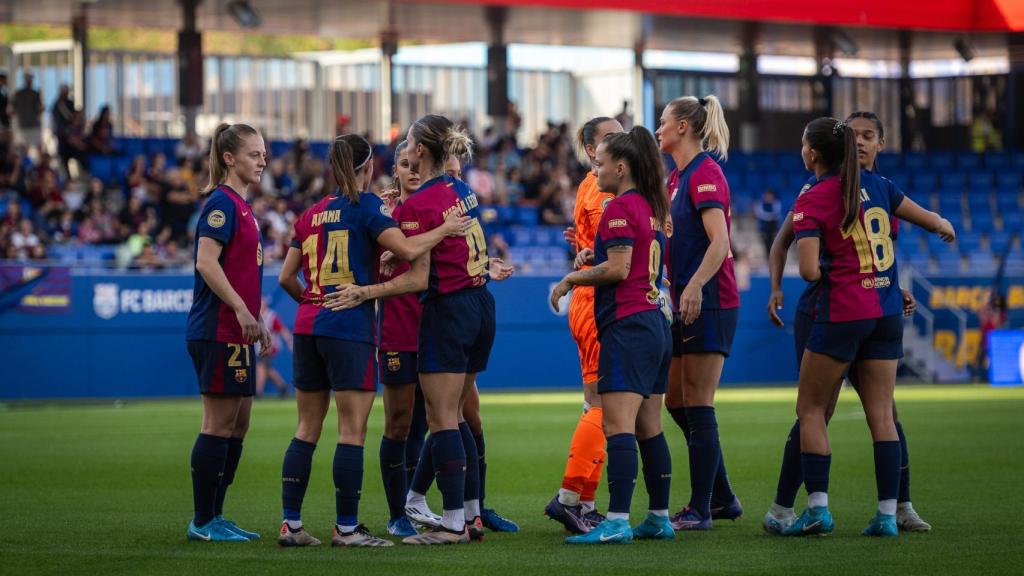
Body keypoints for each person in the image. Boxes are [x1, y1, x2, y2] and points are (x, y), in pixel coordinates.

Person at [275, 133, 470, 548]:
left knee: (306, 427)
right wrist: (445, 228)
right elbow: (405, 246)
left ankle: (290, 525)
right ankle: (347, 528)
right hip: (348, 327)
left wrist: (313, 303)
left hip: (308, 323)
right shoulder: (366, 207)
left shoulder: (311, 213)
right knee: (352, 431)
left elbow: (285, 278)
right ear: (367, 168)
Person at [328, 114, 513, 545]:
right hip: (480, 304)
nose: (404, 148)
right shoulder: (460, 189)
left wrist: (364, 292)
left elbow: (418, 278)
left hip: (447, 312)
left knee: (442, 418)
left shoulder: (416, 206)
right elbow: (446, 251)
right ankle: (465, 514)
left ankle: (452, 524)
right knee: (450, 417)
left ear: (421, 151)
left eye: (409, 141)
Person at [781, 117, 955, 538]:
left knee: (811, 411)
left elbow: (806, 270)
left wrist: (834, 268)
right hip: (886, 312)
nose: (802, 151)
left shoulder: (814, 196)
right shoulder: (881, 187)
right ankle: (887, 515)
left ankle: (818, 508)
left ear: (815, 153)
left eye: (804, 145)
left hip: (842, 311)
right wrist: (944, 228)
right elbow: (932, 220)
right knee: (882, 414)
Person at [550, 126, 673, 545]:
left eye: (600, 164)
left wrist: (571, 277)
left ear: (621, 167)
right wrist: (592, 255)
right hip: (656, 321)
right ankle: (658, 517)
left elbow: (619, 270)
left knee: (619, 425)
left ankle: (616, 519)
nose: (595, 170)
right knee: (649, 428)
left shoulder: (619, 208)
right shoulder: (652, 208)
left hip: (629, 324)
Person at [655, 95, 742, 530]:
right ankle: (723, 496)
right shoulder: (676, 178)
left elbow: (720, 242)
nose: (659, 128)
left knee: (698, 402)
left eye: (664, 121)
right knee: (676, 400)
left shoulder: (705, 173)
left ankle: (701, 507)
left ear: (684, 127)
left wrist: (693, 285)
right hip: (685, 300)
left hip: (709, 300)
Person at [184, 122, 270, 542]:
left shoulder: (243, 206)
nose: (263, 161)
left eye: (264, 153)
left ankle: (217, 514)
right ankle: (202, 521)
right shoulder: (221, 203)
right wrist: (239, 309)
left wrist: (255, 320)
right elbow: (206, 262)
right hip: (217, 329)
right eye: (254, 154)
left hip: (237, 332)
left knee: (239, 424)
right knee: (218, 425)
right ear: (229, 158)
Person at [545, 116, 623, 534]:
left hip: (592, 299)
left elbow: (586, 242)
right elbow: (606, 250)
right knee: (603, 406)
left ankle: (585, 499)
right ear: (593, 150)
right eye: (610, 137)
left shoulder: (588, 185)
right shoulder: (602, 188)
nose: (619, 141)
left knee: (604, 406)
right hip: (597, 301)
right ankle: (570, 497)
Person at [255, 295, 293, 398]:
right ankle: (282, 386)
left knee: (261, 367)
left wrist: (289, 342)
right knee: (268, 369)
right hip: (259, 347)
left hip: (271, 347)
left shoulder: (271, 316)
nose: (261, 305)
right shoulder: (255, 315)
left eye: (263, 302)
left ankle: (259, 391)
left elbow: (282, 330)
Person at [12, 72, 43, 152]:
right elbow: (39, 109)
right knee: (28, 147)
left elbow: (13, 110)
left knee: (26, 147)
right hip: (28, 125)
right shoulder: (34, 94)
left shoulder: (18, 94)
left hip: (25, 124)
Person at [754, 189, 783, 261]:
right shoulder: (760, 204)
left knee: (773, 243)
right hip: (764, 228)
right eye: (767, 195)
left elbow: (777, 215)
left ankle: (774, 258)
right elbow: (761, 214)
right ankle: (768, 259)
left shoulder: (776, 203)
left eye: (770, 195)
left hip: (773, 228)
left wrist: (770, 217)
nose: (768, 197)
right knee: (766, 244)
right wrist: (770, 217)